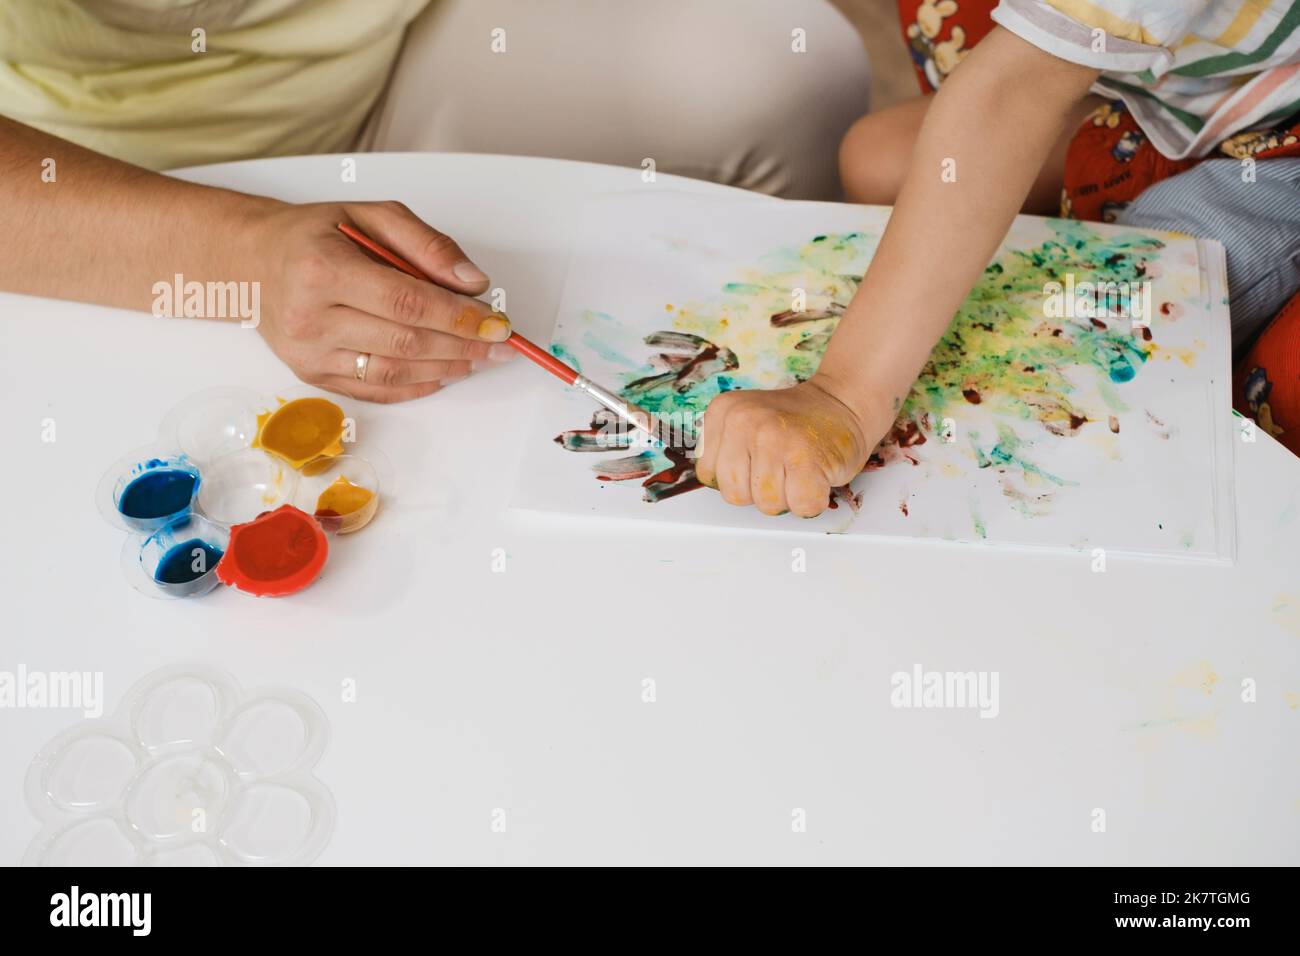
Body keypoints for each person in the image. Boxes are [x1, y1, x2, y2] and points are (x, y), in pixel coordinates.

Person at [0, 0, 869, 403]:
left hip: (400, 46)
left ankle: (764, 394)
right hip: (106, 177)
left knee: (786, 65)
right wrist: (237, 255)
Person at [697, 0, 1300, 515]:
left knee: (1111, 322)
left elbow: (1016, 89)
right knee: (877, 159)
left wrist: (844, 395)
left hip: (1282, 146)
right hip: (1204, 88)